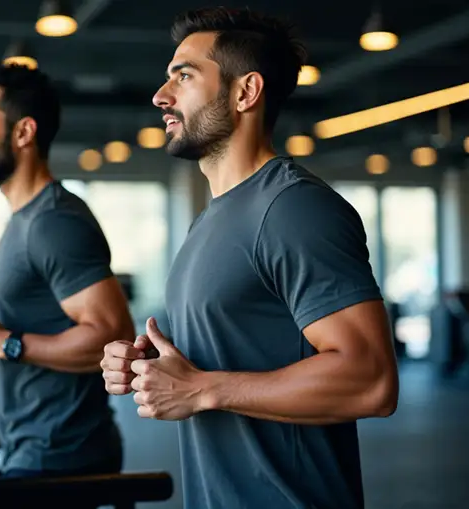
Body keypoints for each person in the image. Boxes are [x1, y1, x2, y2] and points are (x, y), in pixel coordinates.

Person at [100, 7, 399, 509]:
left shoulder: (294, 207)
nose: (160, 95)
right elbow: (233, 348)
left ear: (246, 92)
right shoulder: (210, 218)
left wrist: (202, 390)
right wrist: (149, 364)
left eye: (184, 76)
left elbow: (371, 380)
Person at [0, 63, 134, 479]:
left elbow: (114, 337)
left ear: (23, 132)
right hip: (35, 451)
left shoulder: (54, 221)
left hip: (61, 459)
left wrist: (4, 344)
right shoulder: (24, 220)